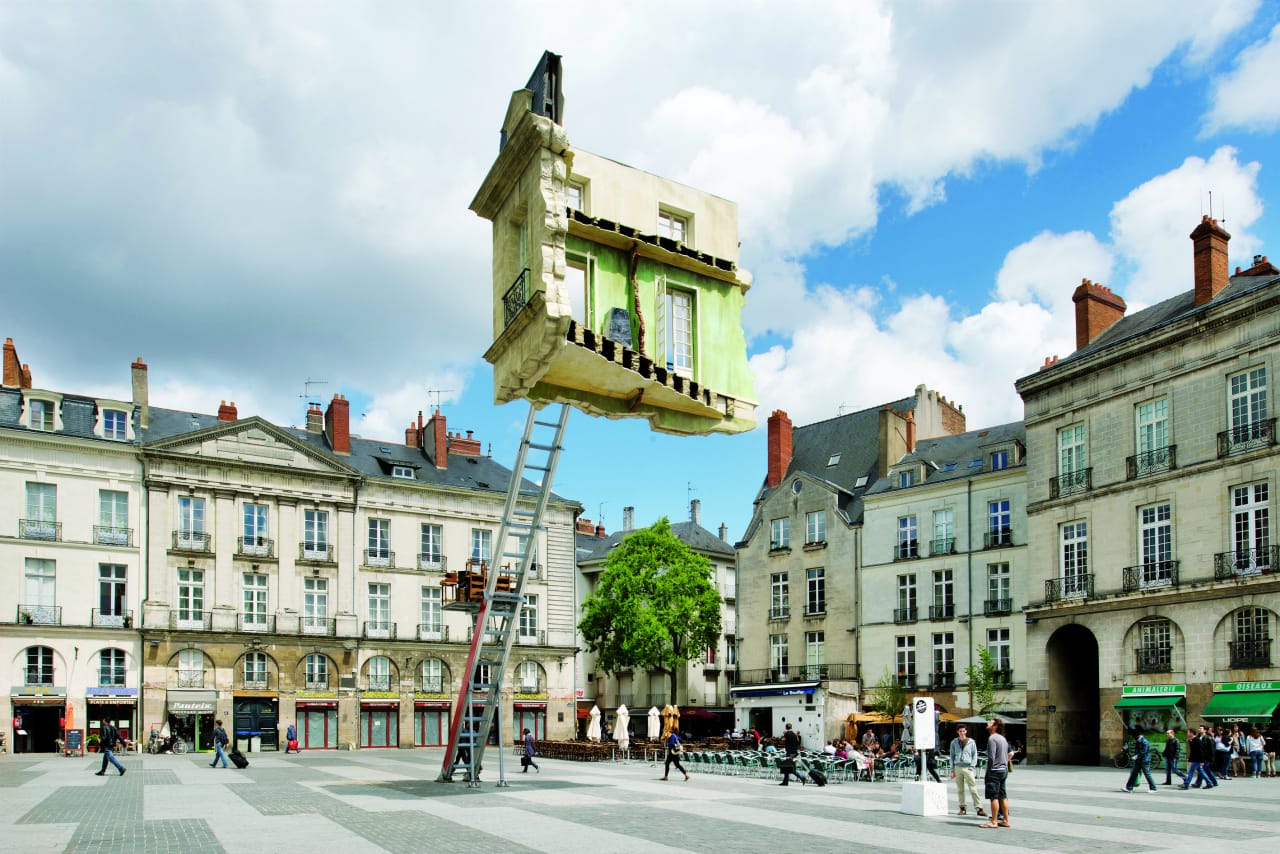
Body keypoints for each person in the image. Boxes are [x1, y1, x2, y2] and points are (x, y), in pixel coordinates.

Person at [980, 718, 1011, 828]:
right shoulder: (1003, 738)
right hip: (1004, 770)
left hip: (995, 771)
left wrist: (988, 772)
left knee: (993, 797)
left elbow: (991, 757)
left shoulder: (992, 738)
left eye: (990, 723)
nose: (987, 724)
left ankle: (993, 821)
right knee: (1003, 796)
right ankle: (1006, 820)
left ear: (995, 726)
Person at [949, 724, 984, 817]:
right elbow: (951, 756)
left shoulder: (971, 742)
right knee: (960, 789)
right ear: (957, 732)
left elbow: (974, 755)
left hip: (968, 767)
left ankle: (979, 808)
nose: (962, 733)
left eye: (963, 731)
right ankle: (962, 808)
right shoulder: (954, 742)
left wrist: (972, 766)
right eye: (960, 731)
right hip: (958, 767)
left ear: (966, 731)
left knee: (973, 788)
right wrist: (952, 769)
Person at [1122, 726, 1157, 792]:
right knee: (1133, 773)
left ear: (1137, 736)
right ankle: (1129, 788)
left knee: (1147, 774)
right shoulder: (1138, 740)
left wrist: (1136, 756)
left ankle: (1153, 788)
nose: (1134, 738)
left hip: (1144, 760)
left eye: (1134, 737)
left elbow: (1144, 751)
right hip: (1138, 760)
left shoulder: (1144, 741)